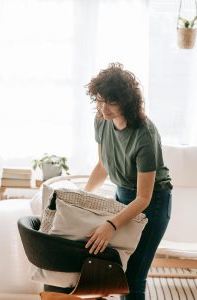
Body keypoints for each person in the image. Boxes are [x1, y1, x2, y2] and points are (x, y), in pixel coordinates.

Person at [84, 63, 172, 300]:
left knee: (133, 276)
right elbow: (103, 166)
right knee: (120, 269)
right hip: (122, 195)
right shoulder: (101, 120)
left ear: (127, 101)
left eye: (111, 102)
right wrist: (84, 197)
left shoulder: (145, 134)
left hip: (152, 202)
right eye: (100, 100)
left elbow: (144, 197)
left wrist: (111, 225)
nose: (104, 108)